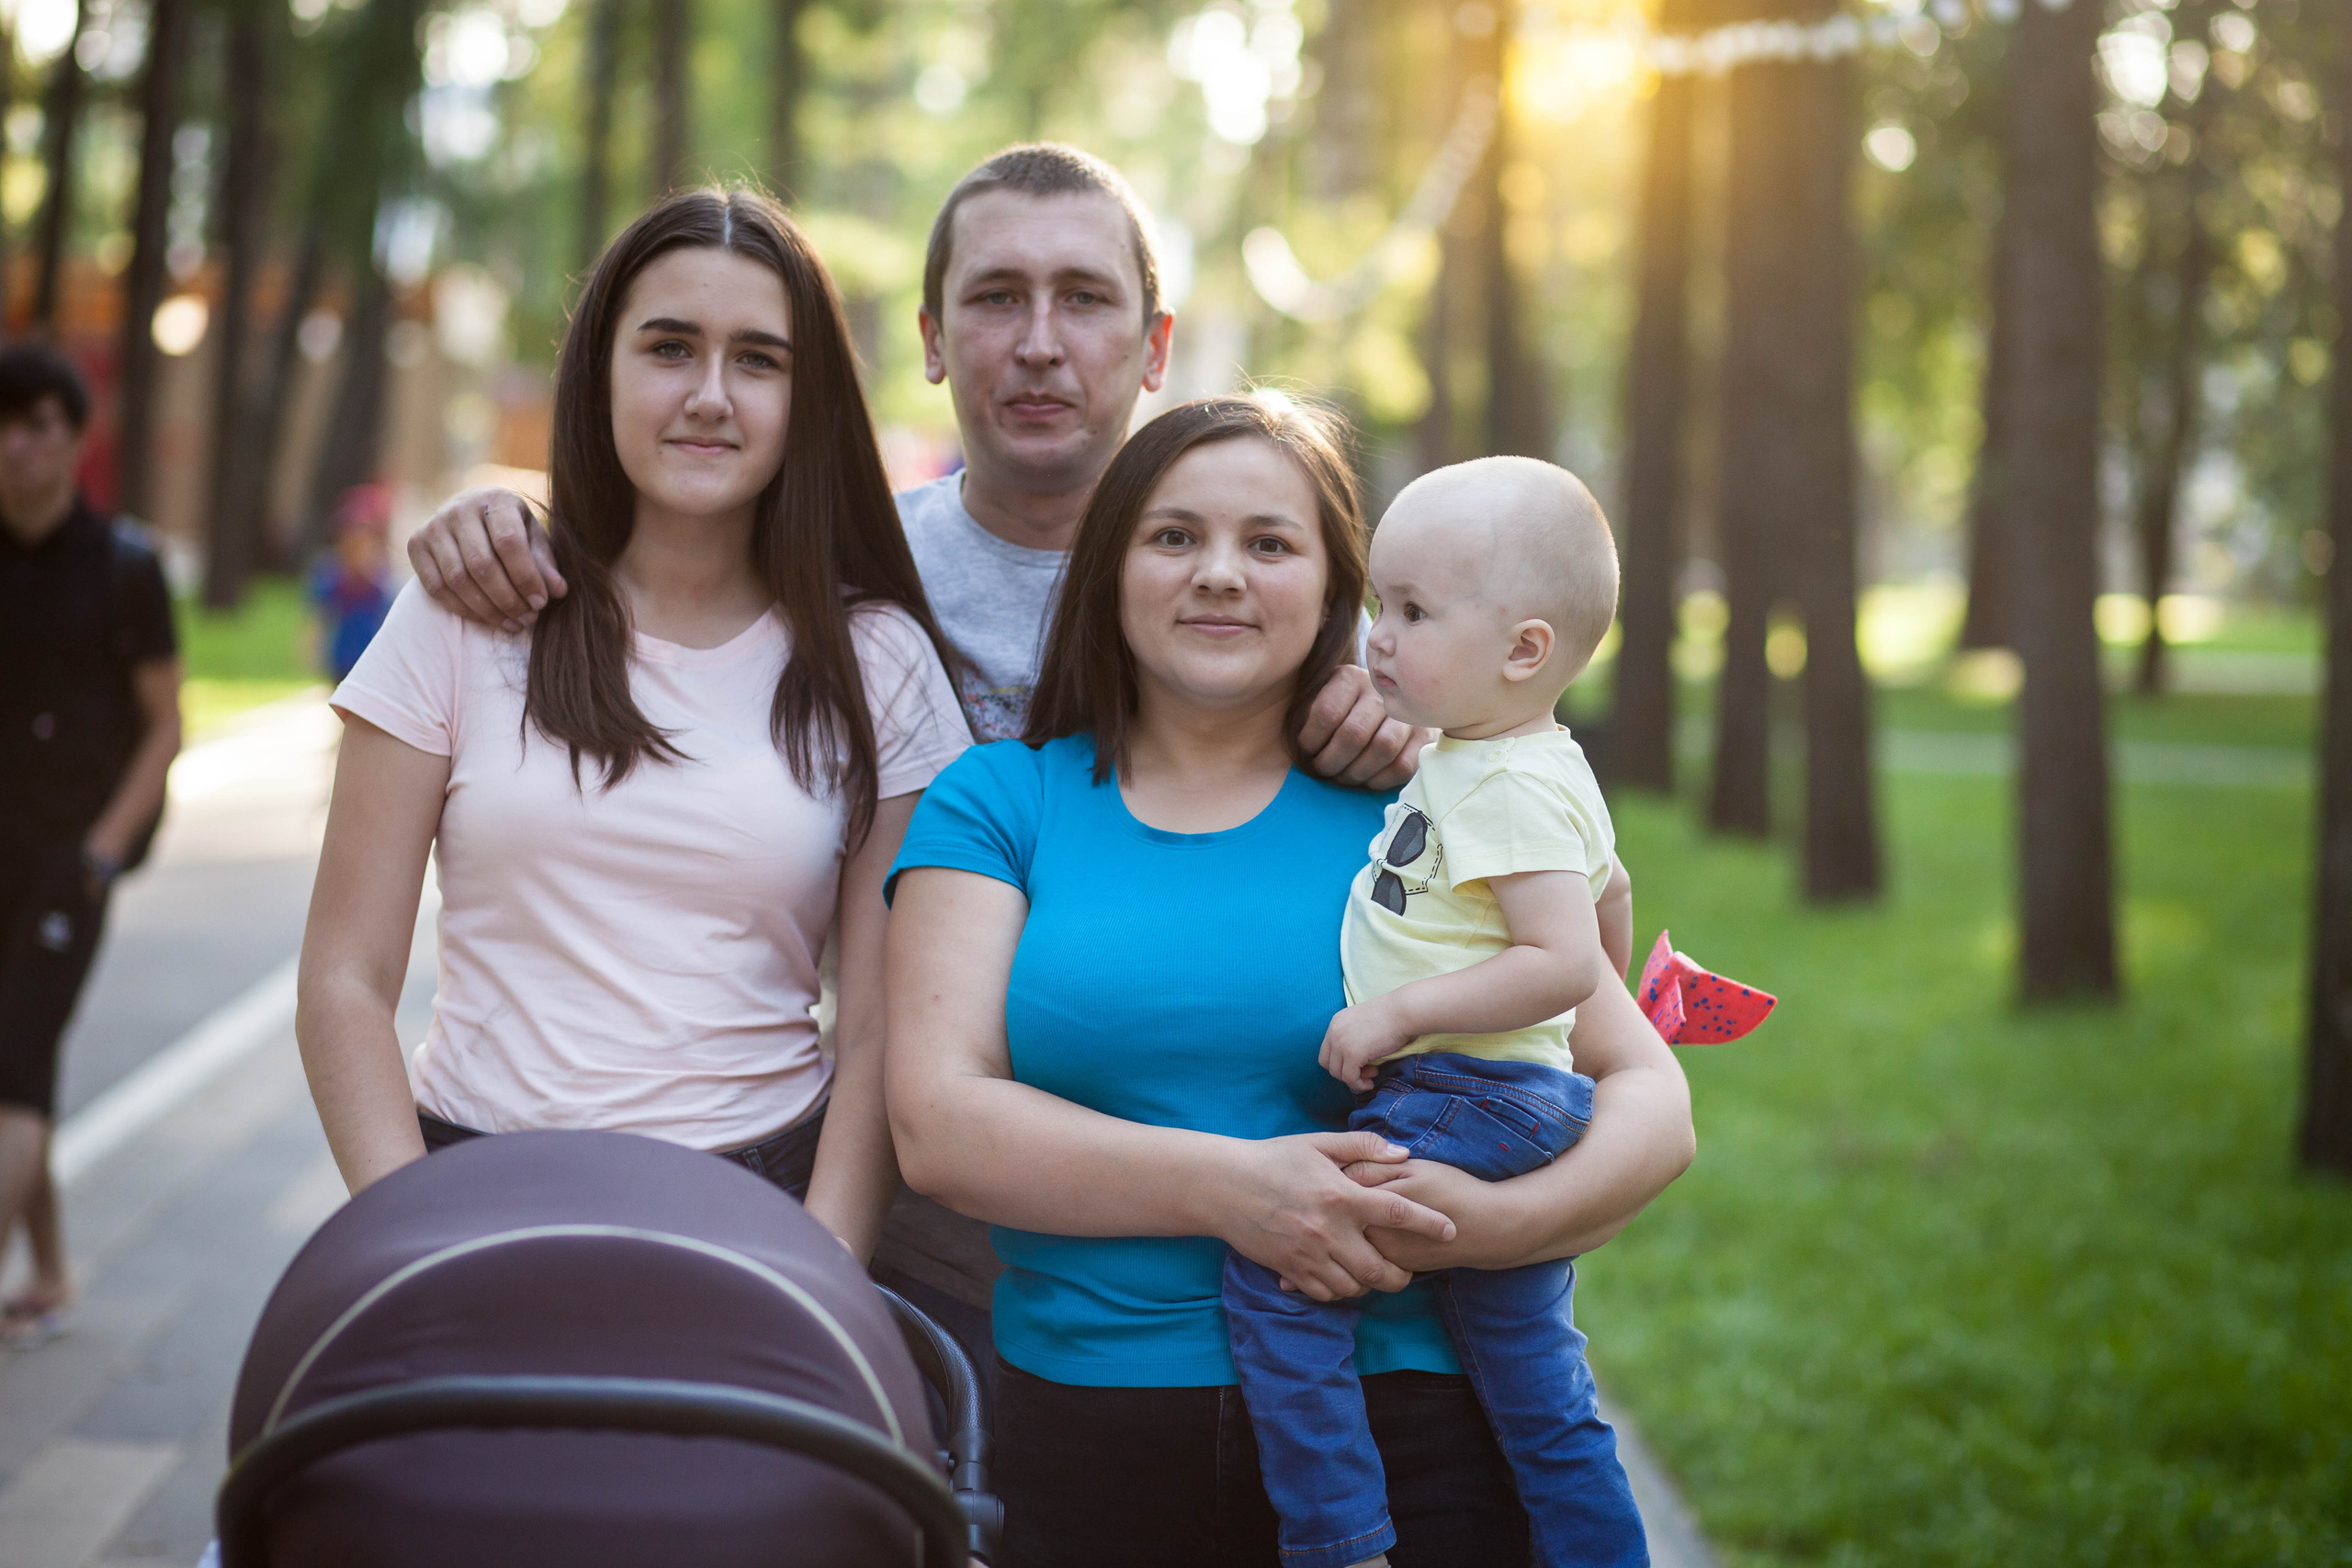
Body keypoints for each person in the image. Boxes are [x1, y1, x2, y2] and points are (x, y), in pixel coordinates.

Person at [396, 142, 1426, 1371]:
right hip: (923, 1225)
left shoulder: (1275, 598)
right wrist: (513, 520)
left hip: (1243, 1236)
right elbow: (672, 560)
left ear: (1155, 346)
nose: (1039, 342)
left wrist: (1414, 733)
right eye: (996, 298)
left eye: (1084, 299)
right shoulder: (844, 586)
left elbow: (1535, 856)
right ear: (933, 338)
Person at [885, 395, 1697, 1567]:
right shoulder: (1000, 801)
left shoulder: (1429, 804)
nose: (1220, 573)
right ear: (1111, 567)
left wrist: (1491, 1228)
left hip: (1414, 1421)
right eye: (1174, 537)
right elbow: (938, 1127)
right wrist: (1234, 1193)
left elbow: (1648, 1099)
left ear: (1335, 591)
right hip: (1099, 1427)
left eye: (1269, 543)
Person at [296, 188, 968, 1285]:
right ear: (600, 369)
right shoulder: (464, 614)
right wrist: (405, 1234)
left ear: (808, 399)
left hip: (759, 1212)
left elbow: (883, 1031)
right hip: (463, 1194)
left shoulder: (876, 660)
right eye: (668, 348)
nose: (709, 395)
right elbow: (343, 978)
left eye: (758, 360)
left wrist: (829, 1264)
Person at [1225, 457, 1645, 1568]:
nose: (1377, 636)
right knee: (1529, 1377)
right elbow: (1605, 895)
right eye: (1378, 603)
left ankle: (1341, 1539)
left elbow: (1558, 962)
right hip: (1504, 1089)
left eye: (1413, 612)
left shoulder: (1503, 781)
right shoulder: (1501, 758)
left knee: (1278, 1279)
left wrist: (1399, 1012)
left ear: (1524, 651)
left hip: (1469, 1090)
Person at [0, 345, 183, 1348]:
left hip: (73, 857)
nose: (16, 446)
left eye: (36, 425)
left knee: (16, 1060)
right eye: (4, 425)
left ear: (75, 439)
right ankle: (54, 1273)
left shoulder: (125, 567)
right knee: (13, 1070)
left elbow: (165, 725)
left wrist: (107, 847)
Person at [308, 483, 395, 682]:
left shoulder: (380, 572)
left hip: (370, 652)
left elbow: (387, 609)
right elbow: (321, 611)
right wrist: (313, 645)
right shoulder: (330, 570)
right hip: (341, 653)